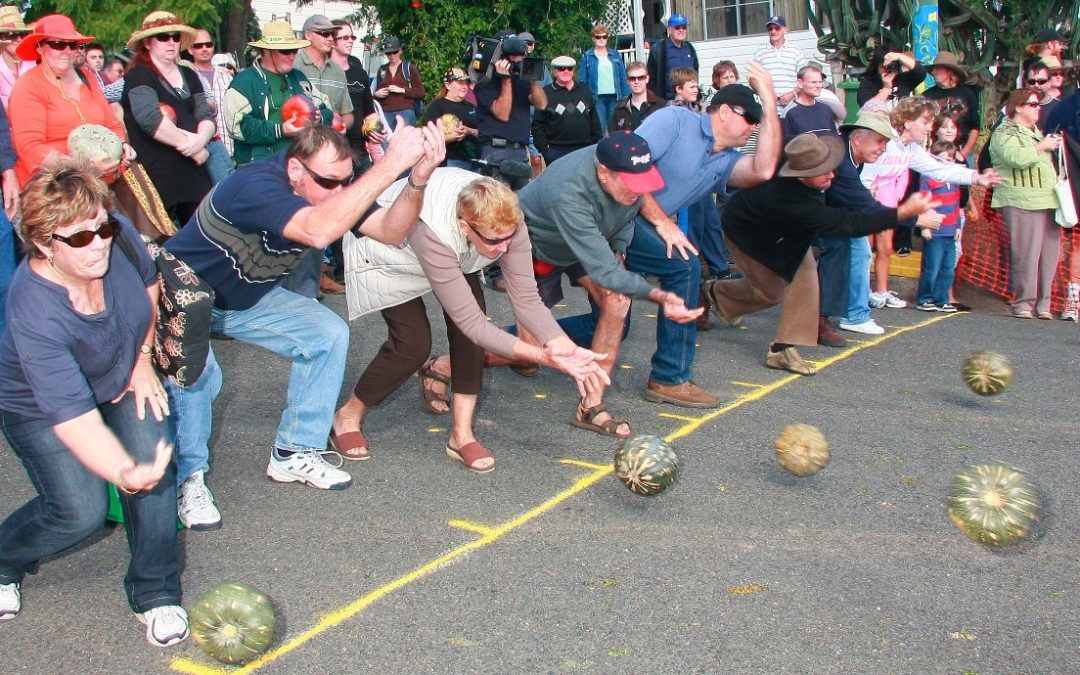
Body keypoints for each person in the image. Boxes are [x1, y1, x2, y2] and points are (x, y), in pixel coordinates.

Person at [164, 123, 445, 502]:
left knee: (326, 333)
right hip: (183, 297)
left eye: (346, 182)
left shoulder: (329, 185)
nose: (340, 193)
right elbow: (319, 232)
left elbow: (392, 230)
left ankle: (295, 450)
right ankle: (187, 480)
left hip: (243, 299)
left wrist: (417, 178)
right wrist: (392, 162)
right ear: (296, 170)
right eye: (330, 182)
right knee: (198, 378)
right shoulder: (255, 185)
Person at [0, 165, 186, 646]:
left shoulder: (114, 234)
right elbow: (76, 421)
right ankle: (4, 560)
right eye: (80, 238)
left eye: (102, 227)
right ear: (44, 244)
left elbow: (148, 286)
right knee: (77, 510)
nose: (100, 242)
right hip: (39, 405)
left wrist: (143, 360)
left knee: (156, 472)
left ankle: (155, 592)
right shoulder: (34, 311)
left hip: (120, 374)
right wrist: (121, 470)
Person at [336, 170, 609, 471]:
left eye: (510, 238)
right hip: (388, 252)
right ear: (466, 227)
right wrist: (544, 357)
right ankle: (348, 416)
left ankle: (461, 434)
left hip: (457, 250)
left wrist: (564, 347)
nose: (504, 249)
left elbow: (528, 301)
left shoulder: (506, 224)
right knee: (412, 345)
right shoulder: (434, 229)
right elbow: (474, 324)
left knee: (469, 337)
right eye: (496, 241)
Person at [510, 131, 700, 437]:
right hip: (537, 243)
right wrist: (662, 297)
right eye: (631, 185)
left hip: (587, 239)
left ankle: (591, 406)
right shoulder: (568, 192)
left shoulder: (620, 168)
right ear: (602, 173)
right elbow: (606, 271)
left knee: (617, 300)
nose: (637, 192)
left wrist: (646, 232)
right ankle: (444, 365)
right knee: (527, 350)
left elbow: (629, 208)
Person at [707, 133, 939, 374]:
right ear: (801, 174)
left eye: (831, 167)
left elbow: (858, 206)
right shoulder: (793, 201)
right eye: (823, 171)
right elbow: (849, 224)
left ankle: (781, 349)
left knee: (805, 275)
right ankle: (716, 294)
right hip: (747, 233)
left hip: (788, 229)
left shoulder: (814, 166)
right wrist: (904, 214)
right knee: (771, 292)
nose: (832, 174)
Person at [633, 69, 782, 406]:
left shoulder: (725, 160)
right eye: (750, 118)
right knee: (685, 266)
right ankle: (670, 378)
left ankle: (519, 347)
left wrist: (770, 103)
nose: (754, 126)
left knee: (612, 319)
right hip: (610, 212)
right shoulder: (675, 120)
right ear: (725, 111)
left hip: (632, 224)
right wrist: (661, 221)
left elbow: (763, 170)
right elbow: (628, 166)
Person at [842, 96, 998, 334]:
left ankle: (853, 312)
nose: (929, 127)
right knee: (858, 255)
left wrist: (976, 178)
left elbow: (939, 168)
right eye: (925, 121)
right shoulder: (884, 143)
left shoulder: (910, 149)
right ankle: (853, 314)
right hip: (855, 202)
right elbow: (862, 178)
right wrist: (907, 216)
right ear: (906, 121)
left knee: (861, 256)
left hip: (875, 203)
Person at [9, 14, 134, 188]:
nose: (68, 51)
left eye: (73, 45)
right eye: (58, 44)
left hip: (100, 186)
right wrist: (84, 166)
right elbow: (30, 149)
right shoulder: (28, 86)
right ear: (39, 47)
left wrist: (122, 146)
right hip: (55, 191)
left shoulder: (87, 77)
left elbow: (111, 125)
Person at [121, 11, 214, 225]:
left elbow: (204, 113)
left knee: (204, 231)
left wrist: (200, 141)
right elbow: (149, 118)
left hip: (194, 171)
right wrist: (190, 145)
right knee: (164, 241)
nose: (171, 42)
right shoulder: (138, 75)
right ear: (147, 42)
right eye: (163, 37)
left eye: (176, 37)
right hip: (158, 174)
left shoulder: (189, 74)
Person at [989, 88, 1063, 319]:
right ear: (1018, 107)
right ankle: (1023, 303)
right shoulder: (1005, 131)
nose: (1037, 108)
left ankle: (1044, 304)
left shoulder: (1035, 132)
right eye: (1032, 104)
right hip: (1021, 200)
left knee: (1049, 256)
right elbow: (1016, 159)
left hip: (1048, 200)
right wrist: (1043, 146)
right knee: (1026, 254)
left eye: (1038, 104)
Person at [222, 21, 333, 167]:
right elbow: (238, 127)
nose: (292, 56)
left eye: (295, 50)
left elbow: (328, 110)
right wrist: (280, 130)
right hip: (258, 169)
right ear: (268, 51)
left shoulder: (299, 78)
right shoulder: (243, 82)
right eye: (286, 51)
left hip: (299, 165)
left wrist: (318, 118)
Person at [474, 32, 546, 190]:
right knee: (498, 207)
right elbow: (502, 114)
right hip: (496, 151)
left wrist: (533, 80)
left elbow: (541, 104)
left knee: (519, 207)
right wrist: (505, 79)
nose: (516, 60)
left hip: (520, 152)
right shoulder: (485, 80)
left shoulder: (521, 79)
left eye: (519, 55)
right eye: (512, 56)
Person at [915, 140, 964, 312]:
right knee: (932, 267)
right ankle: (925, 298)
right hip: (934, 230)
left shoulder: (954, 180)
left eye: (950, 158)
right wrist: (924, 227)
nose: (948, 162)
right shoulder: (928, 178)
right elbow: (923, 202)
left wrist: (957, 226)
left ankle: (942, 299)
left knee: (948, 268)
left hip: (950, 231)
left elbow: (957, 205)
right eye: (943, 159)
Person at [330, 19, 384, 170]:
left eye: (352, 37)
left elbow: (369, 113)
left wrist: (376, 130)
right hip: (333, 152)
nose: (350, 41)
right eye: (344, 38)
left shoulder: (359, 73)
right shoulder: (323, 74)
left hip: (359, 151)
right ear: (332, 42)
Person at [187, 28, 236, 183]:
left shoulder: (226, 77)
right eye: (198, 45)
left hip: (231, 147)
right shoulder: (187, 77)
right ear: (190, 49)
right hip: (203, 149)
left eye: (208, 44)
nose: (204, 49)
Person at [532, 55, 601, 166]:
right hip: (556, 151)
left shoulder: (584, 90)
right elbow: (537, 125)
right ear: (554, 71)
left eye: (569, 68)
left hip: (585, 149)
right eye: (561, 68)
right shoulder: (545, 93)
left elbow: (594, 119)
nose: (566, 71)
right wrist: (545, 150)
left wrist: (596, 143)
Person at [295, 15, 354, 133]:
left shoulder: (338, 72)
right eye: (324, 33)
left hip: (330, 145)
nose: (330, 38)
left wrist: (342, 127)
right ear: (308, 35)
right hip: (297, 145)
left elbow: (347, 114)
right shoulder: (293, 66)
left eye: (332, 34)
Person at [923, 52, 980, 163]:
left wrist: (965, 152)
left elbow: (975, 126)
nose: (933, 72)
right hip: (935, 153)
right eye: (933, 69)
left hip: (961, 152)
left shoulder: (967, 94)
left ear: (950, 71)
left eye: (938, 69)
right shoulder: (927, 96)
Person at [422, 66, 479, 170]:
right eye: (460, 83)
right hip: (449, 160)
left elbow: (481, 132)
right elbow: (428, 138)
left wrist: (469, 131)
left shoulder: (471, 107)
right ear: (448, 85)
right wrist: (453, 136)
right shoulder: (437, 106)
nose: (465, 86)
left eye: (466, 83)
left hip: (474, 160)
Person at [579, 24, 628, 134]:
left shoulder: (615, 55)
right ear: (593, 38)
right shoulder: (587, 56)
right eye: (598, 37)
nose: (601, 39)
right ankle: (600, 151)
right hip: (597, 99)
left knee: (616, 129)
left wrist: (627, 97)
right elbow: (582, 80)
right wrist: (584, 99)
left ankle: (615, 151)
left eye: (604, 37)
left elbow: (623, 76)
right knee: (599, 129)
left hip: (615, 98)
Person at [754, 15, 807, 108]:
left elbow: (805, 78)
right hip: (769, 109)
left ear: (785, 30)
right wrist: (766, 94)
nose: (773, 31)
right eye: (770, 29)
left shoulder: (795, 50)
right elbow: (754, 79)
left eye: (777, 28)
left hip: (792, 108)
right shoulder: (760, 51)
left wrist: (792, 94)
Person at [373, 36, 424, 127]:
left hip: (406, 111)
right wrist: (377, 94)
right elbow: (376, 95)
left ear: (400, 51)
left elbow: (420, 92)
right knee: (385, 141)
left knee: (406, 140)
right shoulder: (382, 70)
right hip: (386, 112)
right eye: (389, 53)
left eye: (395, 52)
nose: (392, 56)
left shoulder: (409, 68)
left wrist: (403, 90)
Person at [646, 13, 698, 102]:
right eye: (677, 27)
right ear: (669, 30)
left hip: (689, 100)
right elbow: (651, 79)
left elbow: (696, 73)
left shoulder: (690, 48)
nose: (681, 30)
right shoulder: (659, 49)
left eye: (684, 27)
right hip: (668, 101)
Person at [856, 48, 927, 108]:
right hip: (877, 123)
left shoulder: (904, 80)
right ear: (876, 67)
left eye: (892, 66)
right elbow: (867, 107)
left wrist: (900, 56)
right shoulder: (868, 83)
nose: (888, 70)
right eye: (884, 67)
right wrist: (886, 87)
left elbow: (921, 71)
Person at [781, 64, 837, 140]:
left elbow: (835, 141)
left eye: (820, 82)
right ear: (800, 83)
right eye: (813, 82)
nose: (818, 86)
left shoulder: (826, 109)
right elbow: (785, 145)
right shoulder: (789, 113)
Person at [610, 60, 661, 133]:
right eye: (632, 78)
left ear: (647, 79)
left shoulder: (661, 106)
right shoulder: (619, 110)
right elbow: (613, 137)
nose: (636, 82)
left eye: (641, 78)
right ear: (628, 81)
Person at [0, 6, 31, 109]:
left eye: (22, 34)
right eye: (12, 34)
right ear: (1, 37)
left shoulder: (33, 63)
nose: (18, 39)